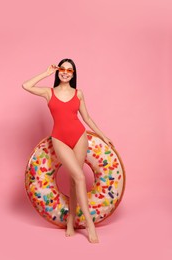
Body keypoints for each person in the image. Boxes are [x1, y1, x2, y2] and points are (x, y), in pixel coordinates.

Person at [22, 58, 114, 243]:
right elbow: (26, 85)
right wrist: (46, 73)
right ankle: (90, 224)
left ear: (73, 74)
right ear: (58, 72)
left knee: (74, 181)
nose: (65, 72)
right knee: (80, 177)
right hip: (59, 139)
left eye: (69, 70)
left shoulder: (78, 93)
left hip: (79, 137)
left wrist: (103, 135)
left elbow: (87, 118)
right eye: (62, 69)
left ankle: (71, 220)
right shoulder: (49, 92)